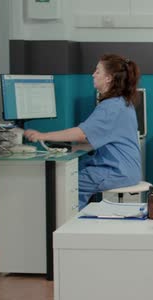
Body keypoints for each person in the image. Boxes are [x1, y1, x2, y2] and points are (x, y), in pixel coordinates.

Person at [24, 54, 142, 209]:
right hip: (126, 169)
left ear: (108, 78)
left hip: (118, 171)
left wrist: (42, 136)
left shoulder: (111, 107)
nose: (93, 75)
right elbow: (100, 136)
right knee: (76, 170)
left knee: (69, 185)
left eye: (97, 71)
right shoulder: (122, 103)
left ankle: (66, 226)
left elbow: (82, 134)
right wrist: (74, 148)